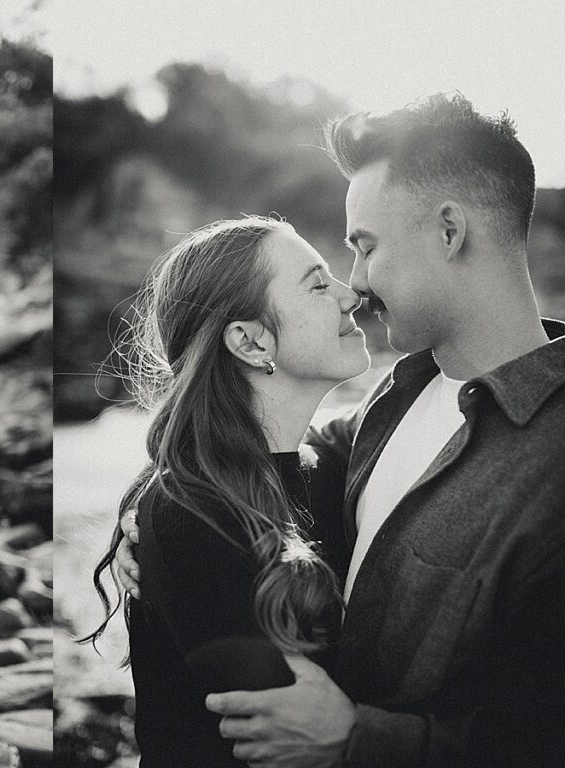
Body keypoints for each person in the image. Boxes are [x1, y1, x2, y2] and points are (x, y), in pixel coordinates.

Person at [115, 94, 565, 767]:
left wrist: (361, 740)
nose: (355, 286)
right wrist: (158, 509)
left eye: (365, 248)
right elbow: (264, 457)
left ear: (449, 231)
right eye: (327, 275)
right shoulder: (391, 402)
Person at [83, 216, 368, 766]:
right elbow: (281, 741)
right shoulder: (190, 514)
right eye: (317, 284)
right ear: (249, 340)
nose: (350, 294)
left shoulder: (329, 469)